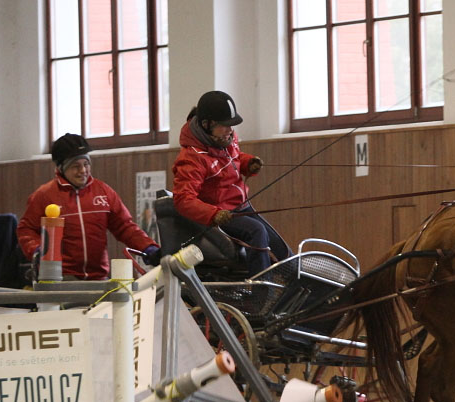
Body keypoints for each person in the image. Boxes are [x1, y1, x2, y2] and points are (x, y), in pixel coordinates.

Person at [172, 90, 291, 277]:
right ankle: (261, 293)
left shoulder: (225, 139)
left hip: (242, 207)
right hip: (221, 217)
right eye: (224, 126)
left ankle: (302, 292)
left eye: (231, 126)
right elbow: (183, 200)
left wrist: (248, 163)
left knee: (281, 250)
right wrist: (215, 214)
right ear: (206, 125)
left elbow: (234, 160)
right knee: (257, 232)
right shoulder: (191, 158)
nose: (230, 130)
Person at [17, 133, 161, 280]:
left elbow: (125, 226)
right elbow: (26, 229)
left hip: (99, 278)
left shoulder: (104, 192)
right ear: (61, 168)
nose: (83, 171)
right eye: (75, 166)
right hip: (59, 279)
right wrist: (37, 250)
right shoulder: (44, 196)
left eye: (86, 164)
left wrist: (148, 247)